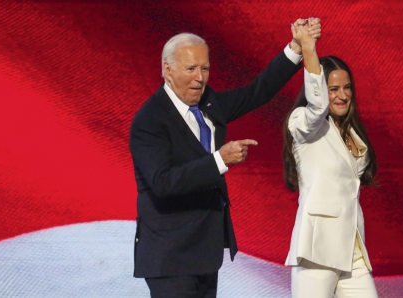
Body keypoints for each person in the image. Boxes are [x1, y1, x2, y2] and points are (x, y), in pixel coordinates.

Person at [129, 20, 321, 298]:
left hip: (205, 251)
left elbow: (258, 92)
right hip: (169, 256)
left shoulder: (209, 103)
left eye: (204, 68)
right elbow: (163, 182)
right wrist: (220, 159)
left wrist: (295, 47)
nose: (200, 78)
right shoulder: (150, 120)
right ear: (167, 70)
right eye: (191, 69)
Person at [283, 21, 379, 298]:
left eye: (347, 88)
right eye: (334, 88)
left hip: (352, 249)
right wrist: (309, 49)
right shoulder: (304, 124)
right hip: (318, 249)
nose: (343, 95)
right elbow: (317, 105)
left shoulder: (352, 133)